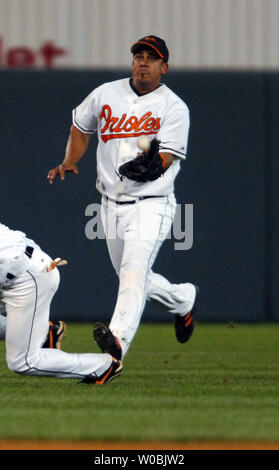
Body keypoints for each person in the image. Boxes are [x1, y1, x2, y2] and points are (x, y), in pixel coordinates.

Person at [47, 35, 199, 361]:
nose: (143, 62)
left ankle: (114, 348)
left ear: (164, 67)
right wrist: (70, 160)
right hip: (109, 204)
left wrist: (154, 165)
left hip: (152, 203)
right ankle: (183, 299)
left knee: (132, 272)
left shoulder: (174, 107)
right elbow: (80, 126)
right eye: (138, 56)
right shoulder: (106, 93)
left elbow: (168, 157)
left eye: (151, 58)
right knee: (135, 277)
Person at [0, 222, 122, 384]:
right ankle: (45, 334)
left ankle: (102, 366)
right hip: (20, 267)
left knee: (24, 362)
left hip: (28, 279)